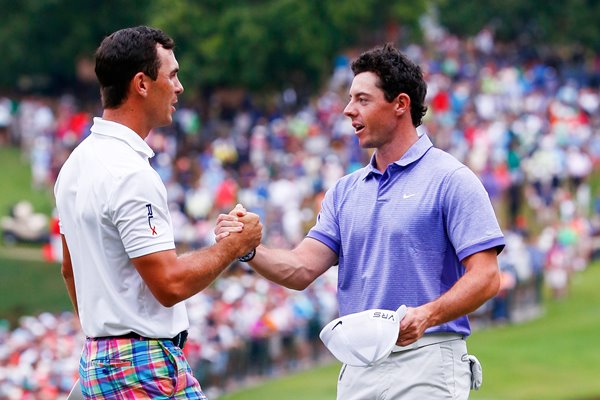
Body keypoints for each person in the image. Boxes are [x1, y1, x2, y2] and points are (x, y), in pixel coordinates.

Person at [216, 43, 505, 399]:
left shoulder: (451, 178)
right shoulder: (344, 191)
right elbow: (300, 269)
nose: (347, 109)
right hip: (358, 368)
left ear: (400, 104)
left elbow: (487, 277)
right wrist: (246, 248)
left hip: (427, 359)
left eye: (362, 99)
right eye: (350, 99)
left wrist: (428, 315)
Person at [54, 26, 262, 399]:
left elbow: (70, 270)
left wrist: (106, 334)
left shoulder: (75, 165)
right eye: (172, 75)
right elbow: (169, 284)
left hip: (102, 356)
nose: (180, 87)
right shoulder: (130, 172)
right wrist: (235, 246)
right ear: (142, 84)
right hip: (141, 362)